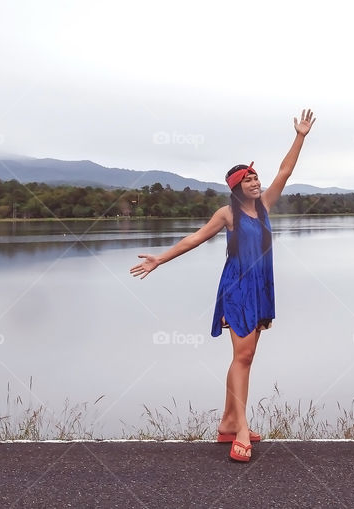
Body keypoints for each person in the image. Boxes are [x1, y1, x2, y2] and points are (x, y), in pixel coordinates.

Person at [129, 109, 316, 462]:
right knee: (243, 357)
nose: (256, 182)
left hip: (260, 288)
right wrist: (160, 259)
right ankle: (240, 431)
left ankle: (228, 422)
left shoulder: (264, 207)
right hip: (237, 288)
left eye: (256, 178)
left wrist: (300, 136)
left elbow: (286, 171)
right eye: (249, 180)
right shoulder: (227, 213)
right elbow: (194, 239)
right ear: (236, 187)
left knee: (245, 357)